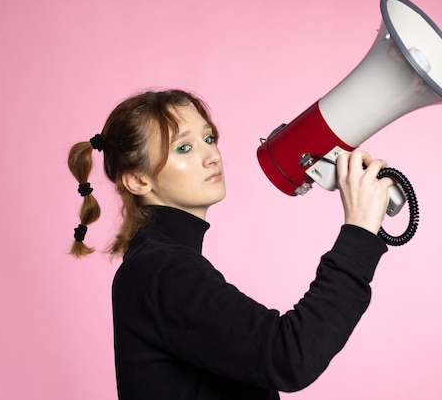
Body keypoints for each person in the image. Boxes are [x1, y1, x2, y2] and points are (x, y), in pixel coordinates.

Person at [68, 89, 394, 400]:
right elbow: (288, 356)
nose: (211, 156)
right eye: (184, 148)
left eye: (209, 139)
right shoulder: (162, 270)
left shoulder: (156, 264)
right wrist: (359, 234)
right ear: (138, 180)